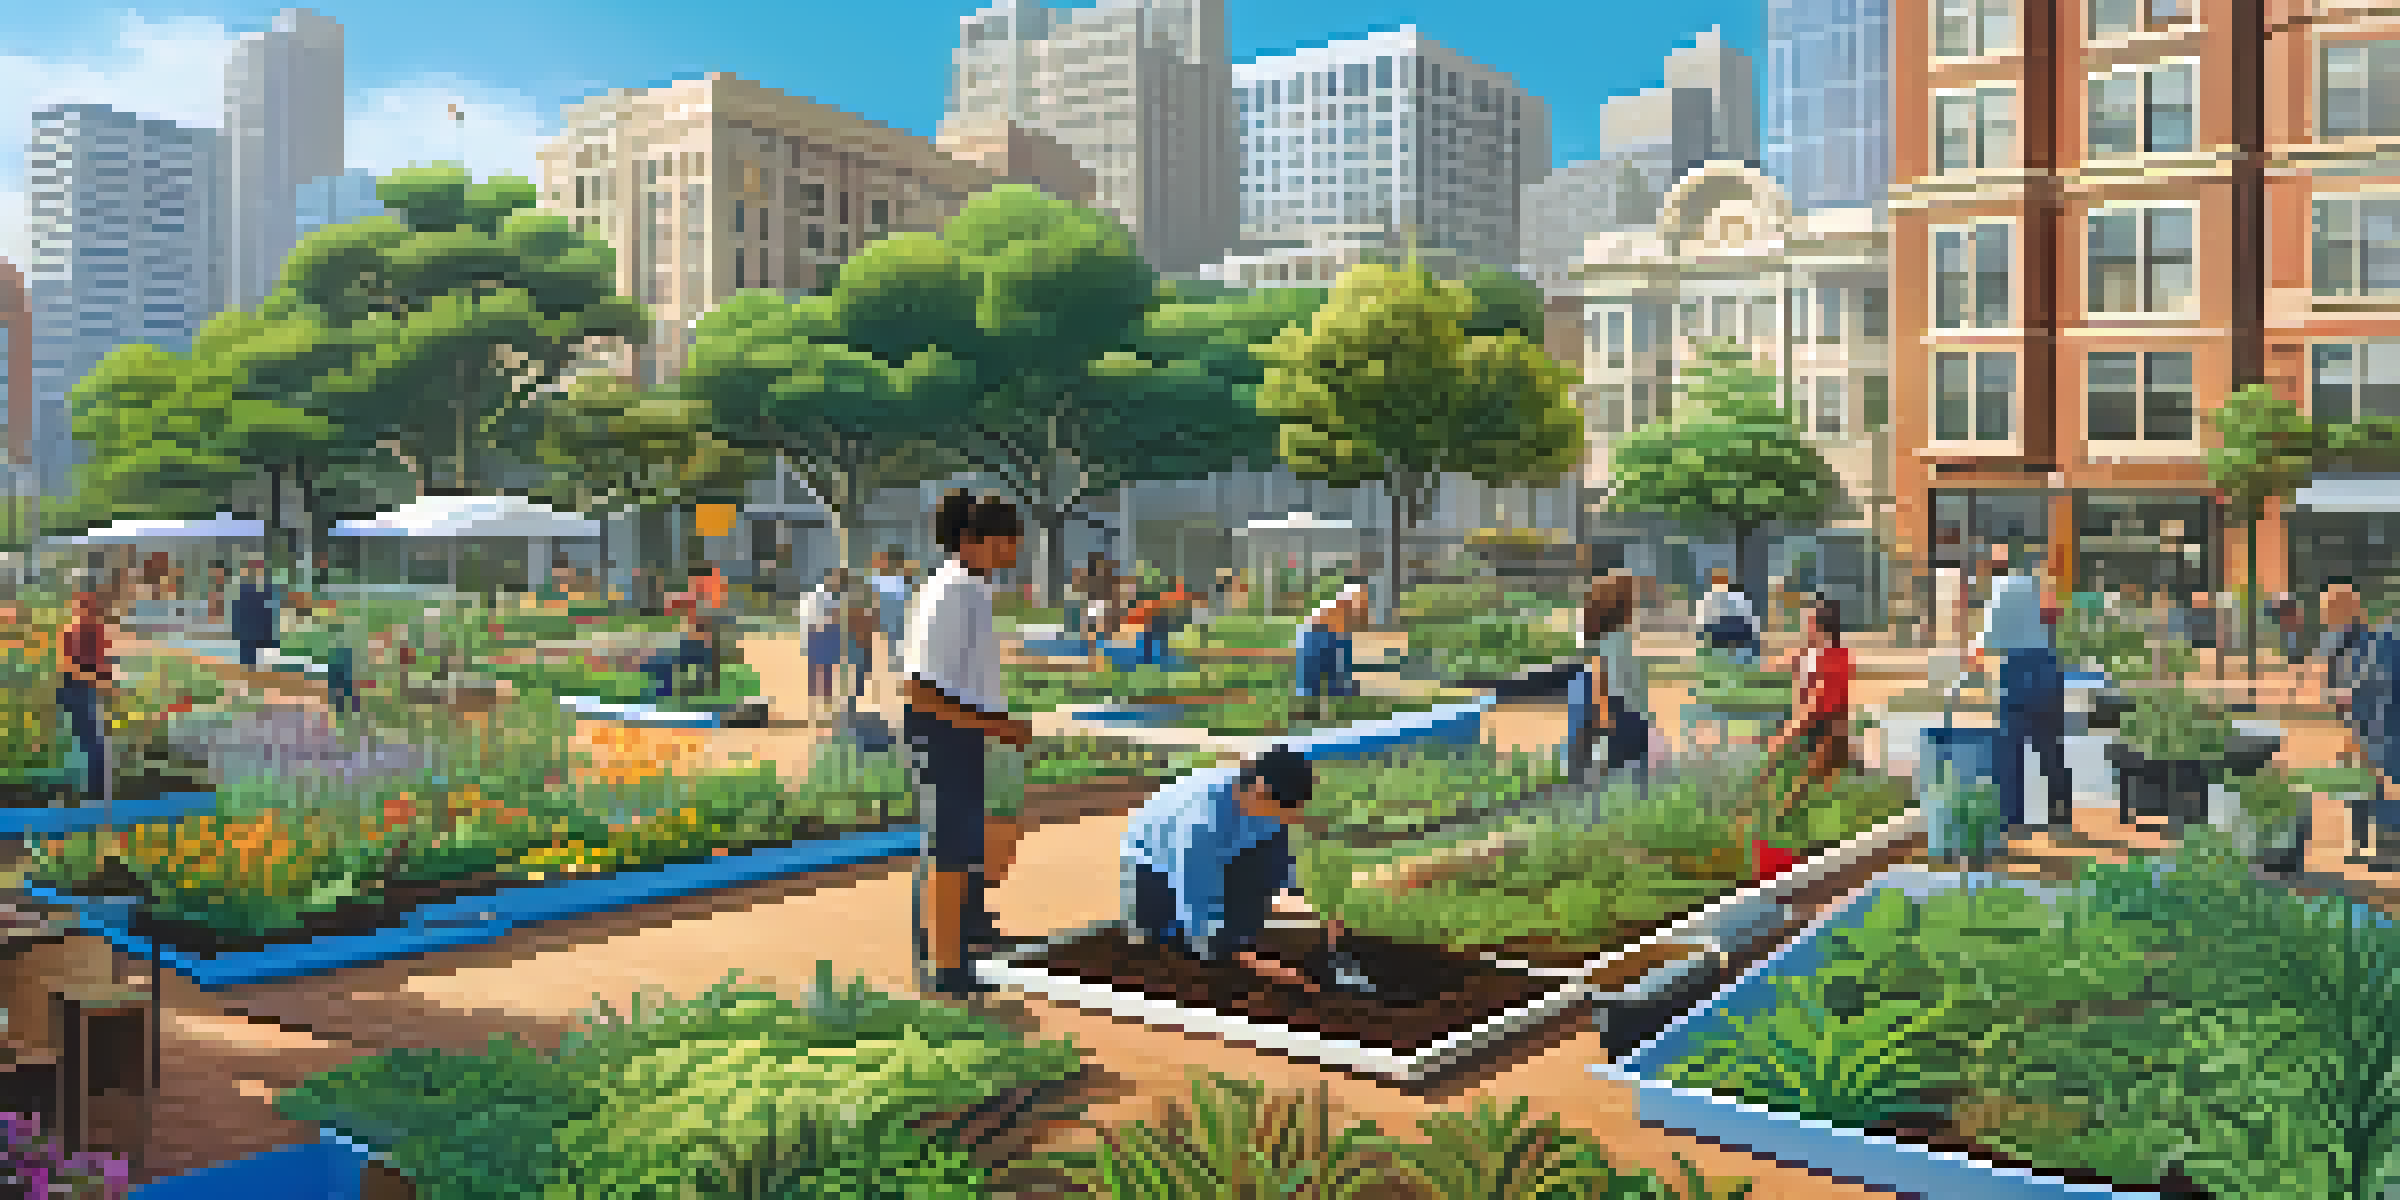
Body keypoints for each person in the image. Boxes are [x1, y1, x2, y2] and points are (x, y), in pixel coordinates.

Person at [902, 493, 1036, 999]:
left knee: (962, 842)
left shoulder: (971, 588)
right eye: (1006, 542)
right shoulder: (952, 592)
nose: (1013, 551)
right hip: (944, 731)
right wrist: (995, 727)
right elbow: (919, 689)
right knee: (950, 851)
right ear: (973, 542)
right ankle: (945, 966)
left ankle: (958, 937)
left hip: (964, 729)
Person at [1122, 746, 1360, 992]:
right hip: (1152, 867)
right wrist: (1260, 965)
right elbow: (1200, 915)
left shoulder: (1269, 807)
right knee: (1179, 946)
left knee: (1254, 907)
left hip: (1218, 850)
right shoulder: (1203, 822)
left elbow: (1281, 868)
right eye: (1288, 812)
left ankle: (1244, 934)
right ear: (1260, 793)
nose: (1294, 820)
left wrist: (1311, 913)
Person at [1969, 573, 2071, 834]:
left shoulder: (2001, 589)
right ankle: (2060, 817)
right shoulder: (2038, 588)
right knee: (2050, 747)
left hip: (2017, 676)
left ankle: (2011, 820)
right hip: (2047, 673)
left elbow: (1986, 641)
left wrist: (1974, 662)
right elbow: (2054, 618)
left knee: (2010, 751)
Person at [1759, 598, 1856, 824]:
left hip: (1825, 730)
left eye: (1809, 622)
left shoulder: (1834, 659)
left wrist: (1786, 734)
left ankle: (1780, 819)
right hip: (1811, 726)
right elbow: (1782, 667)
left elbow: (1817, 703)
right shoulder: (1811, 654)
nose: (1804, 627)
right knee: (1788, 783)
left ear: (1822, 627)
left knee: (1803, 789)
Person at [1567, 575, 1652, 787]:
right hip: (1623, 718)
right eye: (1632, 599)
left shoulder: (1605, 642)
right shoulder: (1618, 641)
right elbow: (1607, 687)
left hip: (1621, 718)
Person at [56, 589, 115, 803]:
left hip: (87, 689)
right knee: (90, 743)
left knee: (94, 743)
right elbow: (69, 666)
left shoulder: (96, 631)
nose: (88, 611)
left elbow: (104, 662)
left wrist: (104, 679)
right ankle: (92, 795)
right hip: (75, 689)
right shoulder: (73, 631)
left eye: (90, 607)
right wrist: (97, 678)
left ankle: (97, 795)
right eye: (83, 606)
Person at [1294, 583, 1364, 713]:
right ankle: (1311, 701)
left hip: (1329, 635)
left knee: (1337, 666)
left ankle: (1339, 692)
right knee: (1315, 673)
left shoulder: (1351, 604)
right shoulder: (1344, 601)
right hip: (1318, 633)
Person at [1696, 568, 1759, 664]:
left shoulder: (1737, 596)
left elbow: (1701, 623)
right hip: (1732, 640)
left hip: (1733, 639)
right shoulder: (1738, 596)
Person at [803, 572, 846, 704]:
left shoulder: (835, 596)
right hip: (818, 633)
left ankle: (825, 694)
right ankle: (816, 694)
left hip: (829, 633)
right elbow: (808, 616)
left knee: (828, 665)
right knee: (817, 665)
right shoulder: (817, 594)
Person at [231, 558, 280, 668]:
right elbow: (238, 610)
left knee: (261, 657)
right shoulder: (243, 590)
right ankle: (249, 671)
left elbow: (271, 610)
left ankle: (257, 671)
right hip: (248, 628)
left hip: (261, 626)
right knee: (248, 657)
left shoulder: (267, 589)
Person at [871, 549, 913, 673]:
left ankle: (899, 667)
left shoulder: (900, 580)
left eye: (881, 560)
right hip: (884, 620)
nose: (878, 563)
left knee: (897, 643)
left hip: (897, 619)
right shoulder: (877, 579)